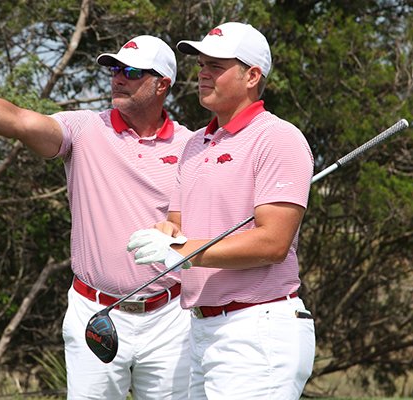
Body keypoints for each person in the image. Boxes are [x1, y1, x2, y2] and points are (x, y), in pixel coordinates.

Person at [0, 35, 194, 400]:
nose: (118, 77)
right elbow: (19, 121)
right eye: (114, 69)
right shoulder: (86, 128)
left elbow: (194, 224)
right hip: (96, 312)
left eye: (131, 71)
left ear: (162, 84)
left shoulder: (191, 145)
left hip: (170, 317)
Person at [127, 22, 316, 399]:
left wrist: (181, 252)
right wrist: (167, 234)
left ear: (252, 75)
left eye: (216, 65)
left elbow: (273, 242)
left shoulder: (278, 137)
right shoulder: (196, 144)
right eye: (201, 65)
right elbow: (180, 226)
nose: (202, 73)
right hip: (200, 331)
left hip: (256, 329)